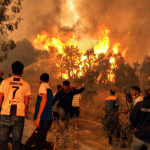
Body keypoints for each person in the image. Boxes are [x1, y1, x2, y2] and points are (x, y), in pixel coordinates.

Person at [0, 61, 31, 150]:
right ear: (22, 71)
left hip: (5, 112)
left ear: (12, 71)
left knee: (2, 141)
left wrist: (1, 108)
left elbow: (0, 96)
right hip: (18, 114)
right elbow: (27, 102)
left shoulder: (5, 82)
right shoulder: (26, 84)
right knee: (16, 142)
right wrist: (24, 112)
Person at [25, 73, 54, 150]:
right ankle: (49, 146)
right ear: (48, 80)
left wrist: (38, 118)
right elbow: (49, 103)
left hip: (43, 118)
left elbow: (44, 100)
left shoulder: (42, 86)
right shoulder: (49, 89)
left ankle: (50, 145)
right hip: (48, 119)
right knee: (41, 139)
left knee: (30, 143)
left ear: (40, 80)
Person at [130, 86, 150, 150]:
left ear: (144, 93)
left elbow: (132, 118)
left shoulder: (139, 104)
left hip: (139, 136)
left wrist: (136, 127)